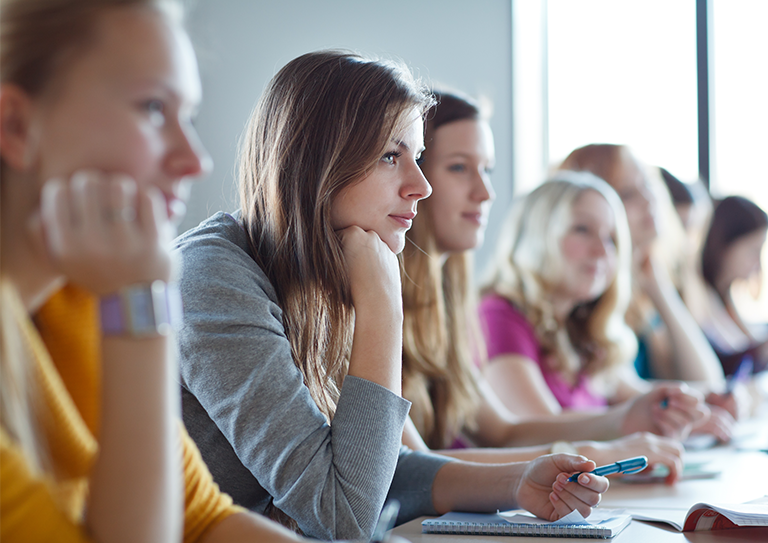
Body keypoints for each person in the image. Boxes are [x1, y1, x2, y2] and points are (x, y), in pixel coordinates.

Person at [174, 51, 609, 541]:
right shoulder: (212, 280)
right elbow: (343, 515)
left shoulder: (318, 274)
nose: (419, 186)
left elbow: (370, 470)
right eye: (390, 156)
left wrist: (518, 482)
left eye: (418, 158)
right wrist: (383, 307)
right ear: (316, 161)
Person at [0, 1, 328, 541]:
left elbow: (202, 520)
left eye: (189, 117)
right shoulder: (123, 297)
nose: (195, 160)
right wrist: (142, 305)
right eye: (153, 108)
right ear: (16, 126)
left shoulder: (76, 301)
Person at [399, 90, 689, 482]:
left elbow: (504, 431)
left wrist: (624, 420)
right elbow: (413, 467)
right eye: (458, 168)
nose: (486, 193)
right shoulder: (489, 312)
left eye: (487, 170)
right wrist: (600, 450)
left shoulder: (447, 307)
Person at [479, 173, 717, 446]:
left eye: (612, 240)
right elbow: (537, 437)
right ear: (537, 232)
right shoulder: (497, 315)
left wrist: (707, 399)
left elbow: (640, 399)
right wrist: (632, 422)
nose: (602, 251)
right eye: (582, 229)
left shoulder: (581, 327)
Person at [553, 145, 736, 440]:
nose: (649, 200)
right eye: (627, 194)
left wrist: (658, 287)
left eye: (646, 186)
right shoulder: (585, 302)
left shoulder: (639, 291)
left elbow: (704, 380)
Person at [697, 195, 768, 377]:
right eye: (753, 251)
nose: (757, 265)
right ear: (725, 244)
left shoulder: (725, 297)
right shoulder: (699, 295)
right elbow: (723, 365)